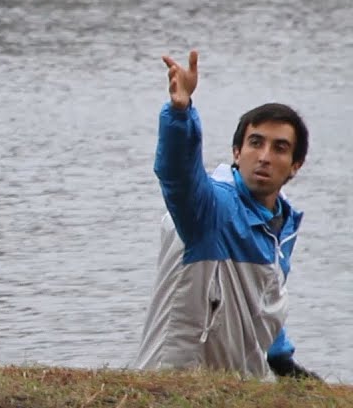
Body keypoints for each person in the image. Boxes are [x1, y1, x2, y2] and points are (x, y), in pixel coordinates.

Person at [133, 50, 320, 381]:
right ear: (237, 152)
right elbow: (176, 174)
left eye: (279, 148)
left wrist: (280, 357)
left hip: (242, 384)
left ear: (296, 165)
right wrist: (180, 113)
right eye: (255, 143)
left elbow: (264, 296)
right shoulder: (209, 209)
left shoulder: (281, 222)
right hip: (176, 383)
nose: (264, 156)